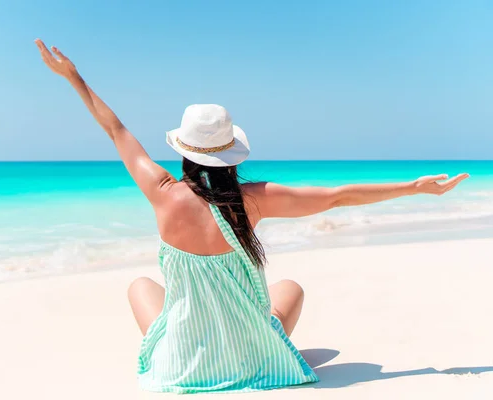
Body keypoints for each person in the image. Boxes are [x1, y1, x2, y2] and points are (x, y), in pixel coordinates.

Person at [34, 39, 469, 394]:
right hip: (253, 358)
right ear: (229, 154)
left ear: (182, 151)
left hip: (185, 367)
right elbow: (337, 197)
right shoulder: (253, 200)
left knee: (140, 287)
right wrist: (414, 188)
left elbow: (117, 130)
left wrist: (74, 77)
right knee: (291, 289)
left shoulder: (162, 192)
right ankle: (245, 346)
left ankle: (195, 345)